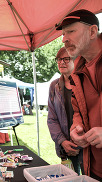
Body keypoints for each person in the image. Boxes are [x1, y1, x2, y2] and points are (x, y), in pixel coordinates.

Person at [56, 9, 102, 180]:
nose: (64, 39)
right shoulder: (78, 74)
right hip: (93, 169)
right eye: (63, 33)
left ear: (92, 31)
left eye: (71, 31)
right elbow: (78, 111)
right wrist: (76, 128)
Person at [47, 47, 83, 175]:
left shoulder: (84, 82)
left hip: (86, 147)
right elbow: (51, 118)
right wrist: (62, 141)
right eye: (59, 59)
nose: (61, 62)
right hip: (65, 147)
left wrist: (80, 142)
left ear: (76, 60)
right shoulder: (54, 86)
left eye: (66, 59)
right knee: (70, 179)